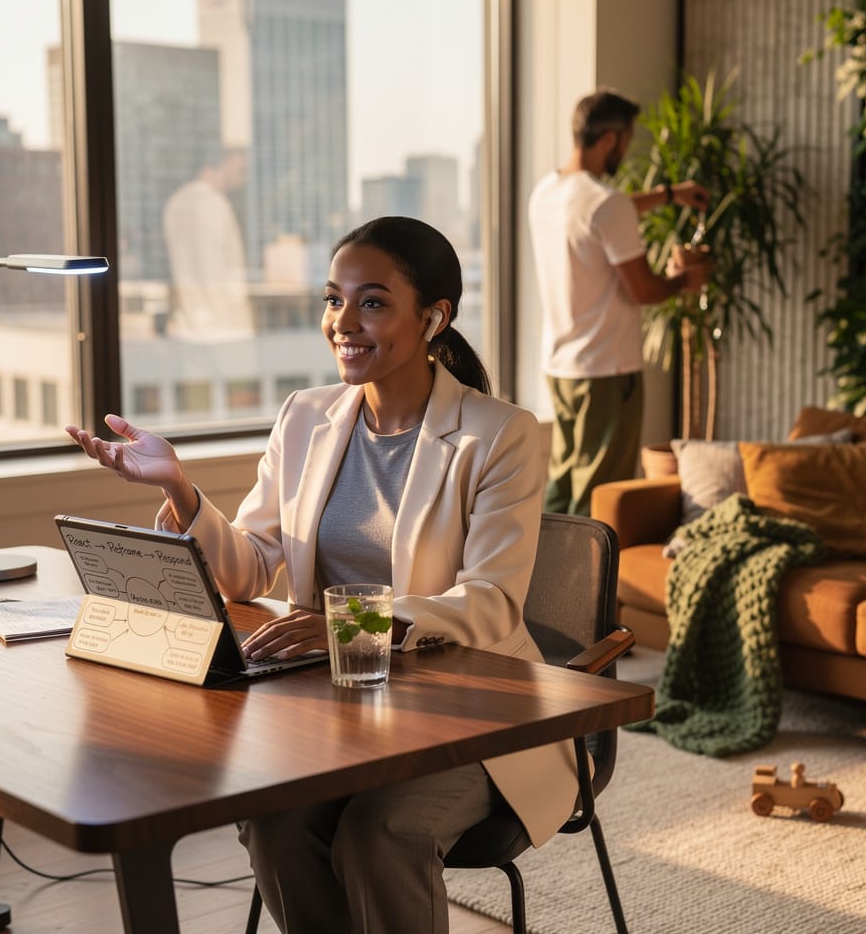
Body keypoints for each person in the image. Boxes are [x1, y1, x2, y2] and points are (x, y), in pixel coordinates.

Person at [65, 215, 579, 934]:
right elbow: (247, 568)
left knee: (380, 831)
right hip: (341, 717)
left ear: (434, 317)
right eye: (334, 298)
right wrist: (180, 489)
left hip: (473, 713)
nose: (343, 321)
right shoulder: (305, 416)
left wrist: (350, 622)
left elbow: (492, 603)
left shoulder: (501, 435)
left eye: (372, 301)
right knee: (273, 820)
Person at [529, 87, 712, 516]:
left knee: (561, 483)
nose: (625, 153)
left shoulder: (549, 192)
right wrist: (684, 280)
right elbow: (644, 290)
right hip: (606, 370)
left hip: (560, 366)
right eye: (626, 142)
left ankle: (539, 578)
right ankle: (581, 584)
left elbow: (605, 213)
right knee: (598, 495)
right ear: (610, 139)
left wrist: (670, 194)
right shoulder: (606, 205)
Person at [162, 148, 254, 339]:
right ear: (217, 165)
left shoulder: (176, 202)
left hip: (188, 320)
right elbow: (213, 265)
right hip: (220, 324)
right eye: (239, 171)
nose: (241, 180)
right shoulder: (214, 204)